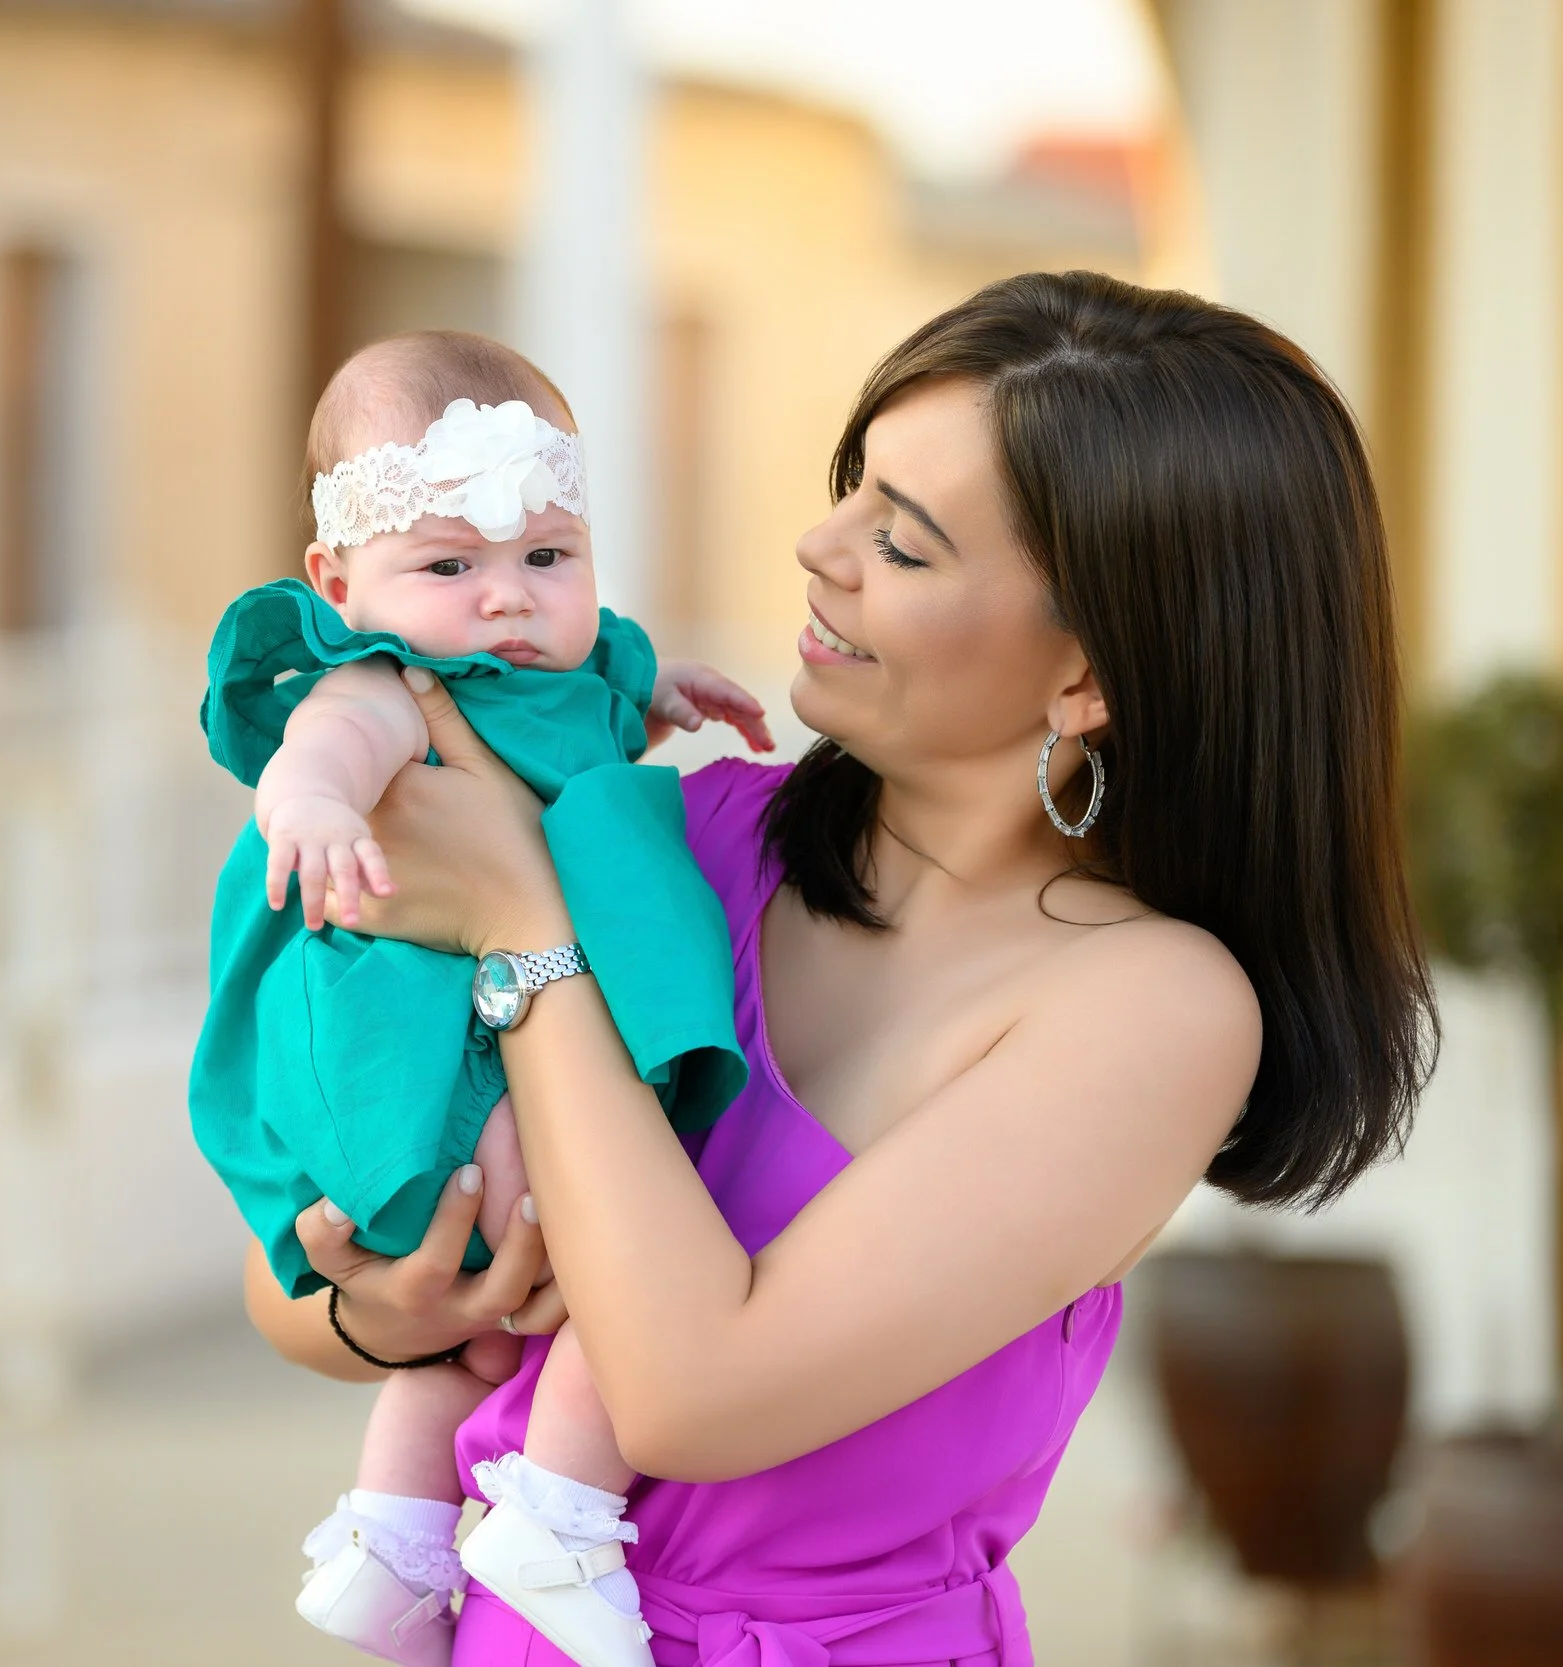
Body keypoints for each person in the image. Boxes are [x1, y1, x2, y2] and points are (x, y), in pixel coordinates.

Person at [247, 271, 1439, 1666]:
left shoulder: (1152, 1009)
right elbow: (296, 1259)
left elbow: (698, 1390)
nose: (821, 547)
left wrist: (524, 926)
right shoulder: (671, 843)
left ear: (1088, 675)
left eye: (908, 544)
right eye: (855, 488)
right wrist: (382, 1311)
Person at [192, 330, 775, 1667]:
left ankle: (393, 1534)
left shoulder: (556, 672)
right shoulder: (390, 684)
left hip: (488, 1064)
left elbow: (591, 707)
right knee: (605, 1244)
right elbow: (323, 747)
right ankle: (558, 1511)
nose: (506, 599)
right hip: (435, 1066)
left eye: (546, 558)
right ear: (340, 583)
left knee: (463, 1340)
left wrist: (658, 692)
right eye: (451, 564)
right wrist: (318, 798)